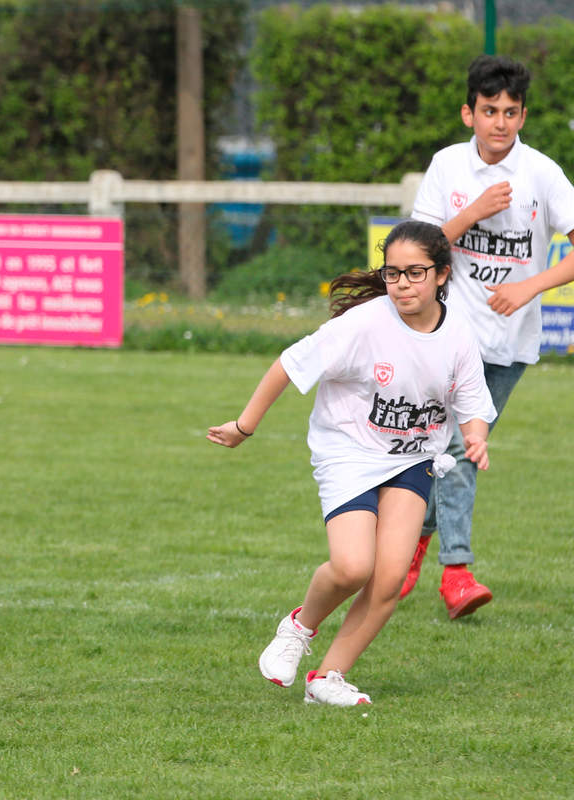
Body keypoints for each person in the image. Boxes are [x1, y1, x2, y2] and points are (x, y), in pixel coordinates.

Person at [208, 221, 496, 706]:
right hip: (349, 450)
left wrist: (476, 438)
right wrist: (244, 426)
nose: (402, 283)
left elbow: (471, 404)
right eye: (393, 273)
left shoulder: (459, 335)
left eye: (415, 273)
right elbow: (289, 365)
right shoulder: (364, 325)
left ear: (442, 275)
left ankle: (326, 680)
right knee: (351, 567)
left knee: (388, 580)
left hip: (411, 458)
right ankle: (299, 627)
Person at [401, 55, 574, 618]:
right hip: (450, 335)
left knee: (445, 450)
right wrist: (471, 214)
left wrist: (529, 287)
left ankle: (410, 546)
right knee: (460, 451)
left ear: (523, 116)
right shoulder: (447, 167)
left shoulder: (541, 172)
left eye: (510, 112)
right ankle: (457, 574)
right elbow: (418, 245)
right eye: (489, 111)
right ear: (470, 113)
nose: (499, 123)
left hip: (511, 344)